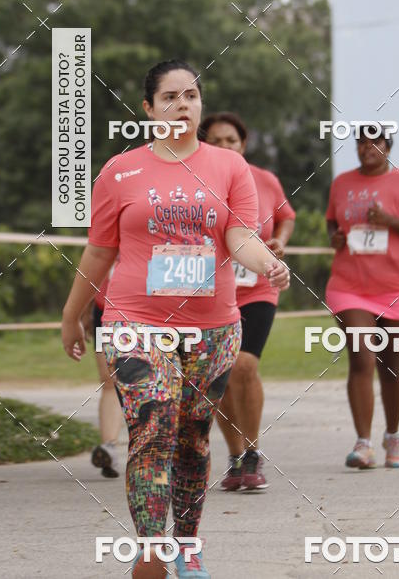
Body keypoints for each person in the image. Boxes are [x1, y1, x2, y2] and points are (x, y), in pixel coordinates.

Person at [61, 60, 289, 579]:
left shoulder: (230, 168)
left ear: (200, 105)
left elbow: (239, 237)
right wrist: (72, 315)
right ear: (148, 108)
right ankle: (152, 549)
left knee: (191, 437)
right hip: (134, 320)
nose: (182, 105)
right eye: (169, 97)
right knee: (151, 426)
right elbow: (99, 252)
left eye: (190, 95)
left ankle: (186, 543)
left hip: (212, 326)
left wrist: (268, 264)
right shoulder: (120, 171)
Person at [199, 112, 296, 492]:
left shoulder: (264, 180)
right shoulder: (194, 180)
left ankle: (253, 451)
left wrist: (281, 241)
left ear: (244, 144)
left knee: (243, 366)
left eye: (232, 141)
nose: (225, 147)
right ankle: (236, 456)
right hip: (212, 289)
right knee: (217, 378)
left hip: (257, 288)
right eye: (217, 141)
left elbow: (286, 216)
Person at [325, 125, 399, 470]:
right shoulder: (342, 183)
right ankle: (364, 443)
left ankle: (393, 435)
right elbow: (331, 224)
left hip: (398, 287)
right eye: (361, 142)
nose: (367, 148)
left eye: (375, 142)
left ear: (388, 146)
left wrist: (387, 221)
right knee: (362, 357)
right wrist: (336, 237)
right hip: (350, 286)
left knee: (391, 362)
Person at [82, 261, 124, 478]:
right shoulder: (102, 226)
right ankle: (109, 448)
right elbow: (96, 255)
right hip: (106, 306)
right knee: (109, 379)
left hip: (153, 306)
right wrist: (84, 304)